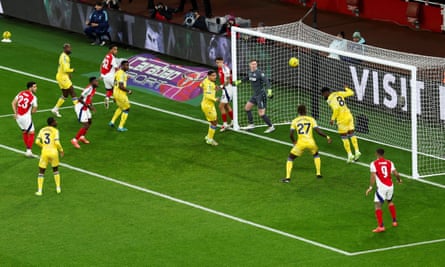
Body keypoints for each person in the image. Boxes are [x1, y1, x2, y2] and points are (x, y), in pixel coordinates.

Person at [281, 105, 332, 183]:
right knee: (316, 155)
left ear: (298, 112)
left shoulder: (295, 121)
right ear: (306, 111)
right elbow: (318, 131)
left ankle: (287, 178)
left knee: (290, 158)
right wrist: (327, 136)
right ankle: (318, 173)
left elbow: (291, 134)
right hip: (311, 143)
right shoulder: (311, 119)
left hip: (300, 143)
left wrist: (294, 141)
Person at [365, 148, 402, 233]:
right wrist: (399, 180)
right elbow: (396, 173)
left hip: (382, 187)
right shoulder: (389, 162)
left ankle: (381, 226)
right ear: (383, 154)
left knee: (377, 205)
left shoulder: (374, 163)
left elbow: (373, 176)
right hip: (390, 186)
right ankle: (394, 221)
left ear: (376, 154)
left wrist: (370, 187)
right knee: (390, 201)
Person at [321, 86, 361, 163]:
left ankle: (350, 155)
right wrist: (347, 88)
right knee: (352, 134)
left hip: (341, 120)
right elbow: (351, 93)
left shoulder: (330, 100)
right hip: (349, 116)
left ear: (326, 93)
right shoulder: (338, 93)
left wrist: (332, 119)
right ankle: (357, 151)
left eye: (323, 94)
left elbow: (336, 109)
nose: (323, 96)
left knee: (344, 137)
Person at [236, 59, 275, 133]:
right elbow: (247, 77)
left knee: (261, 114)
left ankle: (271, 126)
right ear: (249, 65)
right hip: (255, 95)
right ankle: (251, 124)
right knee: (247, 108)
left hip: (261, 95)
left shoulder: (260, 73)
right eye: (252, 64)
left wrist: (269, 91)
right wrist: (239, 81)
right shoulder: (250, 72)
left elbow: (267, 82)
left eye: (255, 64)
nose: (254, 65)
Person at [35, 117, 64, 196]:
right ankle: (58, 188)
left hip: (44, 152)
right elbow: (57, 142)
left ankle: (40, 191)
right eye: (55, 121)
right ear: (52, 123)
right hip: (54, 152)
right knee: (55, 170)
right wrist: (61, 150)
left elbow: (37, 142)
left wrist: (43, 146)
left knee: (41, 171)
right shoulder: (55, 131)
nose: (56, 122)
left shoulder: (42, 130)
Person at [11, 81, 38, 157]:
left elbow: (13, 103)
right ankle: (29, 151)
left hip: (18, 117)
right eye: (34, 87)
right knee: (32, 133)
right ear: (30, 88)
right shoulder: (34, 97)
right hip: (26, 117)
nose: (36, 88)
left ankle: (28, 149)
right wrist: (30, 113)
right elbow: (34, 110)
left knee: (25, 131)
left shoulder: (21, 93)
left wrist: (15, 113)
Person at [71, 77, 99, 149]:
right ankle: (74, 140)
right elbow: (80, 99)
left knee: (89, 121)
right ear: (92, 82)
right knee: (85, 124)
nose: (97, 82)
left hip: (85, 107)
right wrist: (89, 107)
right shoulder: (88, 89)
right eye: (96, 81)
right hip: (80, 107)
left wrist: (91, 106)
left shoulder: (94, 89)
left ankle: (82, 137)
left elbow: (90, 98)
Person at [51, 43, 77, 118]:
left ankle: (55, 109)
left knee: (65, 94)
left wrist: (68, 74)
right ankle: (78, 109)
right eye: (69, 48)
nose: (70, 49)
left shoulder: (63, 56)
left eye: (70, 48)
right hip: (63, 78)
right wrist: (72, 70)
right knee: (72, 92)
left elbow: (63, 68)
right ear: (65, 49)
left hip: (61, 76)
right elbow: (65, 69)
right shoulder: (65, 57)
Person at [109, 60, 132, 132]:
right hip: (121, 94)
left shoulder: (118, 72)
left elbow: (115, 83)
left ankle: (112, 122)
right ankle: (120, 127)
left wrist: (126, 77)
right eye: (126, 65)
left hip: (115, 93)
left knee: (121, 107)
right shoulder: (121, 74)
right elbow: (121, 86)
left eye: (128, 65)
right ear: (122, 66)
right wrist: (129, 91)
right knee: (127, 108)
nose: (128, 67)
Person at [200, 70, 219, 146]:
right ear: (209, 76)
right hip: (208, 106)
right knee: (214, 122)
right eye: (213, 76)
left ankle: (208, 136)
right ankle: (210, 139)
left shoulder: (206, 81)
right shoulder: (208, 84)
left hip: (209, 105)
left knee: (213, 121)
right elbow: (208, 95)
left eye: (215, 75)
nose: (215, 77)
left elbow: (201, 85)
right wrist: (215, 99)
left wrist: (215, 88)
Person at [215, 57, 233, 132]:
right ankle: (233, 121)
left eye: (219, 62)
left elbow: (228, 80)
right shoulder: (219, 68)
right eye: (217, 62)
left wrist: (221, 86)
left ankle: (225, 124)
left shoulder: (225, 69)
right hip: (225, 89)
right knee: (226, 105)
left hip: (228, 89)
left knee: (221, 106)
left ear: (222, 61)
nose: (218, 64)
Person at [100, 45, 119, 109]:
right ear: (110, 50)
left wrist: (102, 75)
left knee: (109, 90)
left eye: (116, 49)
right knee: (118, 89)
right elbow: (116, 68)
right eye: (114, 49)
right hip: (111, 77)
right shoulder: (112, 58)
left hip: (105, 77)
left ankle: (107, 98)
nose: (116, 51)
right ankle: (116, 99)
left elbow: (102, 65)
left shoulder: (107, 56)